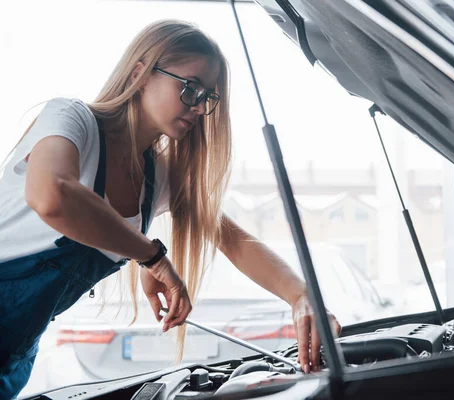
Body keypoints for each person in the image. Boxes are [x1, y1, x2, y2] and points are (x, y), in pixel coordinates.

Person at [0, 19, 340, 399]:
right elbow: (52, 196)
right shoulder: (71, 119)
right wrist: (151, 256)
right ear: (141, 72)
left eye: (208, 98)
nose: (198, 107)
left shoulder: (157, 178)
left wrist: (301, 295)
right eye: (190, 88)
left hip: (14, 359)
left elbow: (234, 240)